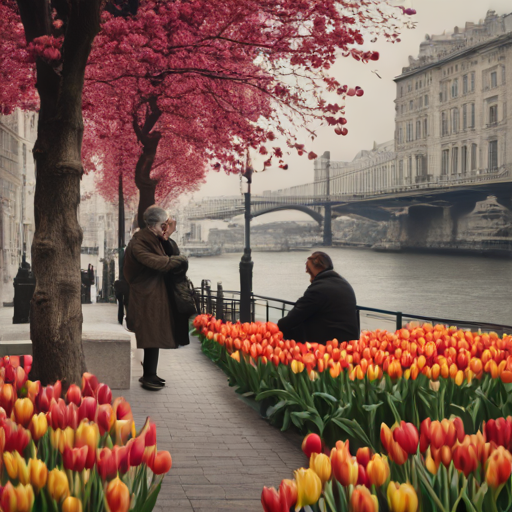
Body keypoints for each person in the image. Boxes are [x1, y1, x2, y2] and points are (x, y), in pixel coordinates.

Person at [123, 206, 188, 390]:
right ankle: (148, 375)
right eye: (165, 225)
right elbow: (155, 261)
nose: (167, 227)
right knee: (151, 333)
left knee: (155, 334)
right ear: (157, 224)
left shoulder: (155, 238)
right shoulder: (139, 241)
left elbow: (171, 252)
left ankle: (151, 373)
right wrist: (178, 261)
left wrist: (167, 236)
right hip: (145, 295)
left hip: (154, 293)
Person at [277, 251, 359, 344]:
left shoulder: (318, 289)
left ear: (312, 269)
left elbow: (294, 317)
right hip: (349, 341)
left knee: (289, 332)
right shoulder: (343, 283)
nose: (309, 277)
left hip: (329, 343)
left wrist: (275, 328)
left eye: (308, 271)